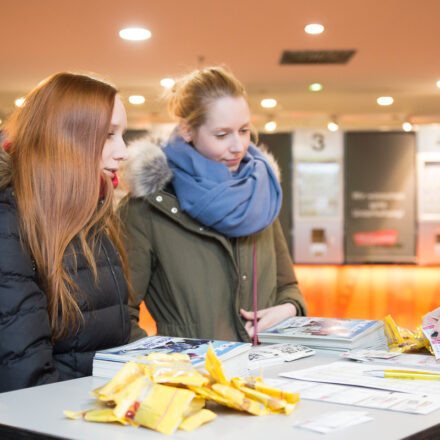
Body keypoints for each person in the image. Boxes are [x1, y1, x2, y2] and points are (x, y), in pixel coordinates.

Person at [120, 66, 307, 344]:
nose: (238, 146)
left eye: (244, 130)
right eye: (222, 134)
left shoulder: (261, 190)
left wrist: (290, 308)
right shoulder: (147, 207)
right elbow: (122, 314)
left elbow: (287, 286)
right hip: (194, 380)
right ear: (187, 130)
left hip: (266, 372)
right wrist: (163, 364)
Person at [0, 72, 131, 392]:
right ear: (67, 136)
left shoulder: (94, 216)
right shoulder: (10, 223)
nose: (123, 151)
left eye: (122, 134)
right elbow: (24, 379)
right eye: (109, 135)